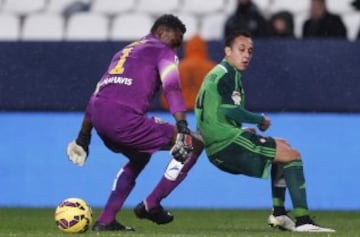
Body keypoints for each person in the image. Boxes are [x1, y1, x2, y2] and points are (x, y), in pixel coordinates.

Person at [66, 14, 204, 232]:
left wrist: (83, 137)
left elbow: (97, 94)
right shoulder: (162, 50)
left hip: (100, 118)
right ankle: (152, 204)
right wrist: (182, 128)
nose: (175, 50)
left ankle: (106, 220)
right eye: (174, 42)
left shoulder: (124, 52)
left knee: (139, 156)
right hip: (125, 120)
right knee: (194, 143)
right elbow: (172, 88)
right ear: (160, 33)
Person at [194, 30, 335, 233]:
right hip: (227, 143)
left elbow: (213, 113)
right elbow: (230, 109)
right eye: (241, 49)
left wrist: (241, 128)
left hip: (219, 143)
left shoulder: (217, 73)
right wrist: (259, 120)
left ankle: (279, 214)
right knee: (292, 156)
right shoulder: (228, 74)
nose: (246, 55)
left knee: (282, 147)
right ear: (227, 51)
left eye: (250, 51)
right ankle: (303, 221)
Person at [160, 34, 216, 110]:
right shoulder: (212, 68)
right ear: (204, 49)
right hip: (204, 113)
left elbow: (166, 98)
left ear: (187, 48)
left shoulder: (177, 68)